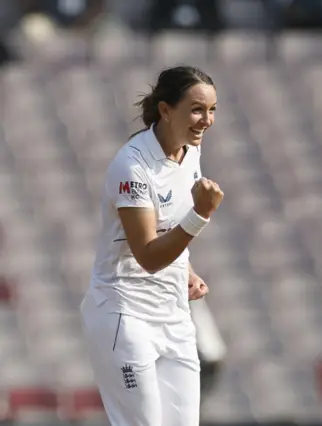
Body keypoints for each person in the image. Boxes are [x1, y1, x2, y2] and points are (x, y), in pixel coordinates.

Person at [80, 66, 223, 426]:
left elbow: (168, 226)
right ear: (165, 110)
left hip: (174, 315)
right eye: (196, 109)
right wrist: (200, 216)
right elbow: (146, 255)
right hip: (124, 314)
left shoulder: (190, 154)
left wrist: (187, 270)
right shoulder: (132, 166)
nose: (206, 120)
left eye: (212, 110)